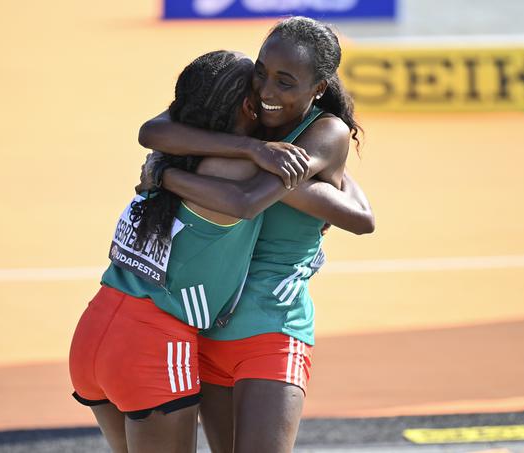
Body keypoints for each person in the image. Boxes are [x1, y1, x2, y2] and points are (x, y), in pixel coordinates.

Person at [70, 48, 372, 453]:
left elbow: (152, 132)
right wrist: (264, 154)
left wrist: (164, 173)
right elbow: (245, 197)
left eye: (282, 81)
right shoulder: (242, 164)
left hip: (115, 328)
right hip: (179, 339)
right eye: (260, 79)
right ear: (245, 104)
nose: (267, 91)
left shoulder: (187, 154)